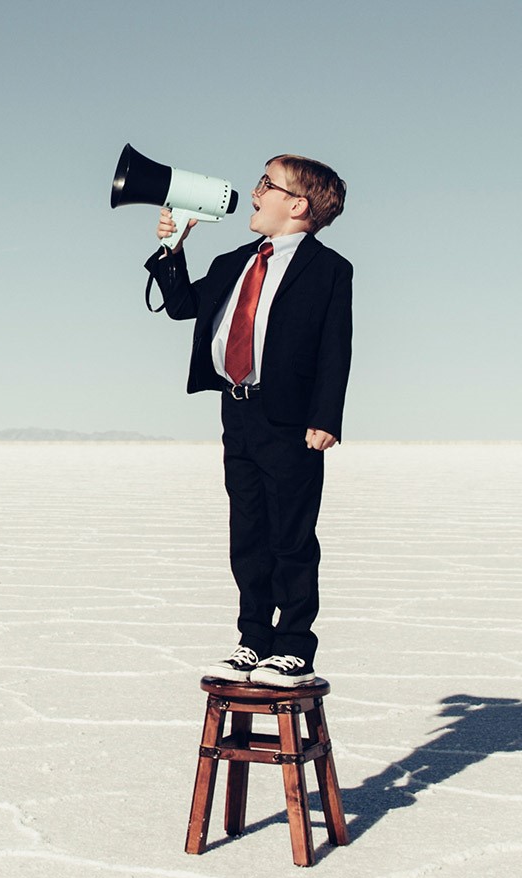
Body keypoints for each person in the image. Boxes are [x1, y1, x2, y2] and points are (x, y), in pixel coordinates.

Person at [143, 153, 351, 688]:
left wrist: (326, 416)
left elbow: (335, 348)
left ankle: (294, 647)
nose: (254, 193)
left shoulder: (328, 270)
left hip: (292, 420)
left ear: (297, 205)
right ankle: (253, 639)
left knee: (291, 535)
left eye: (267, 184)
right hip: (237, 411)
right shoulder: (234, 261)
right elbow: (182, 306)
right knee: (249, 532)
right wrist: (172, 249)